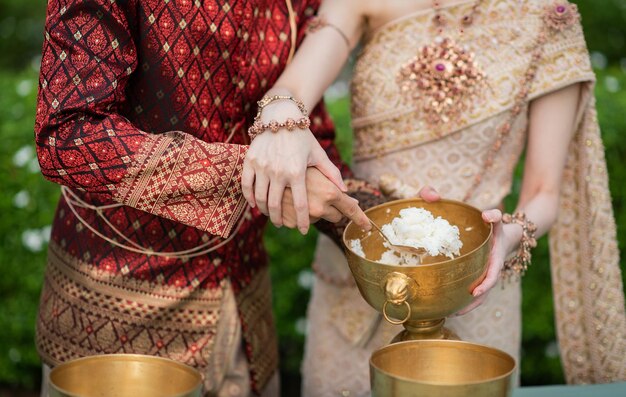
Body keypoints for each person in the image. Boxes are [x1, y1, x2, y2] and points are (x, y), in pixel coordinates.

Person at [239, 0, 626, 395]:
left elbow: (544, 194)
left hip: (475, 286)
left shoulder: (545, 17)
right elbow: (293, 88)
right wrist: (282, 113)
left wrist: (506, 237)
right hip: (361, 281)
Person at [33, 0, 374, 396]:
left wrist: (405, 230)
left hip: (244, 307)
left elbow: (304, 142)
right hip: (118, 313)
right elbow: (67, 134)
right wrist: (247, 172)